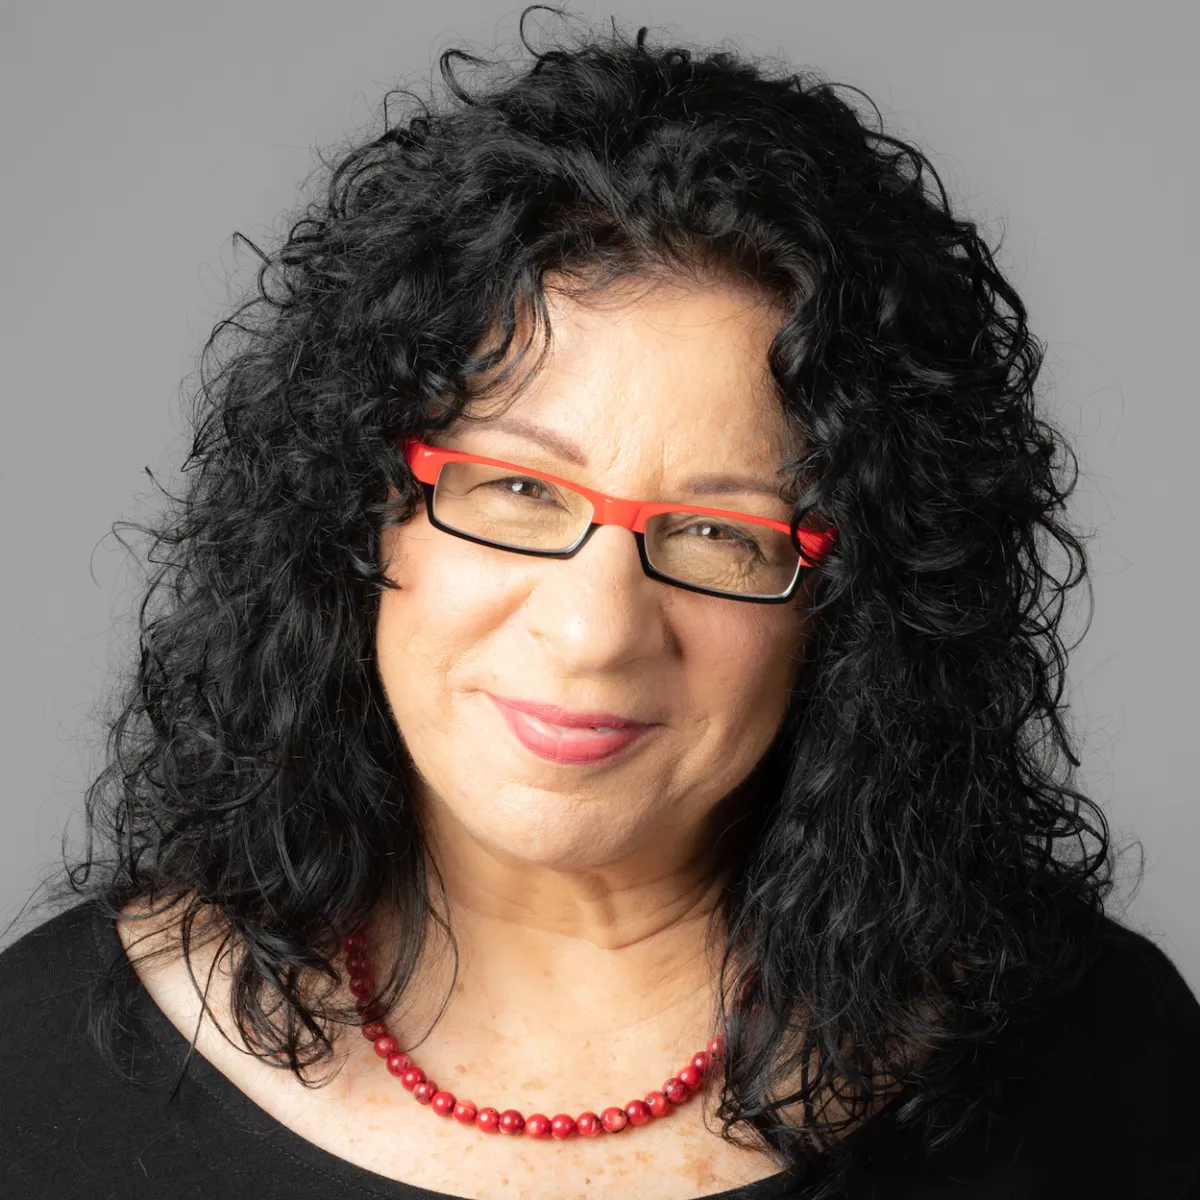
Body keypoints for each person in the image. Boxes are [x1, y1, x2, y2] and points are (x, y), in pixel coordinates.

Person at [3, 10, 1199, 1199]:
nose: (594, 632)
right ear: (353, 504)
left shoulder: (1105, 1067)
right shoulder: (39, 1071)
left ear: (860, 604)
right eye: (519, 489)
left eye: (722, 532)